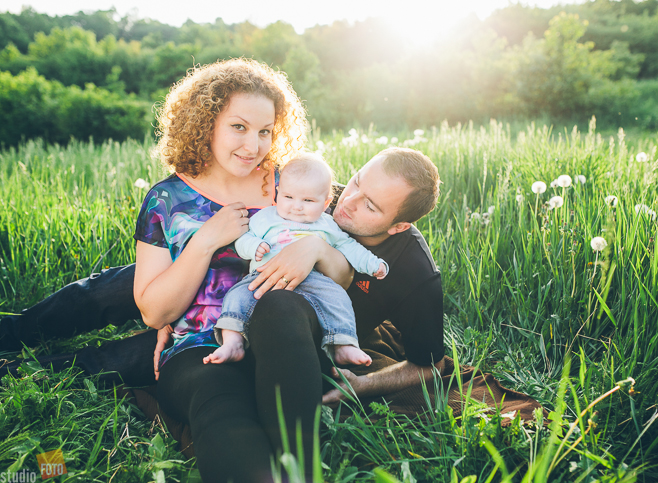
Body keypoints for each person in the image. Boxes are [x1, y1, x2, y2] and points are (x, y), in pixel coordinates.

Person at [0, 67, 445, 482]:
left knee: (260, 316)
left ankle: (296, 465)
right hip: (198, 324)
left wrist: (315, 247)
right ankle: (15, 337)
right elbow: (156, 310)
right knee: (112, 298)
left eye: (265, 131)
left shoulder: (293, 187)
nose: (253, 146)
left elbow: (343, 278)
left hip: (281, 322)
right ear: (205, 122)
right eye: (238, 127)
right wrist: (198, 254)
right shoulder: (180, 197)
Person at [209, 153, 386, 367]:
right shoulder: (265, 218)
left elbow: (349, 247)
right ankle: (233, 342)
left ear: (325, 203)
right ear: (277, 194)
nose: (297, 206)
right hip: (264, 276)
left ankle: (342, 344)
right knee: (237, 296)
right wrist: (254, 247)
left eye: (308, 200)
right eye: (288, 197)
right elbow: (243, 239)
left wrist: (372, 263)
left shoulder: (327, 225)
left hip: (314, 279)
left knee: (337, 297)